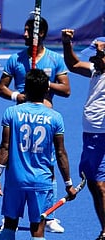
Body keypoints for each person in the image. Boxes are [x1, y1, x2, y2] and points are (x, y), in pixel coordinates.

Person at [0, 14, 70, 233]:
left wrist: (43, 83)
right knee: (19, 160)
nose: (25, 35)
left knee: (47, 164)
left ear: (42, 34)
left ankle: (50, 214)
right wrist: (17, 97)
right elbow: (1, 88)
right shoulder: (16, 59)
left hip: (46, 118)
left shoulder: (55, 60)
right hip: (21, 114)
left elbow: (66, 90)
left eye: (29, 31)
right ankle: (12, 213)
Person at [0, 69, 77, 240]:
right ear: (47, 90)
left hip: (15, 180)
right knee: (37, 229)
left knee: (9, 224)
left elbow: (4, 147)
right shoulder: (55, 118)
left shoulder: (11, 113)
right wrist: (68, 184)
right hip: (41, 181)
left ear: (25, 90)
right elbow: (60, 153)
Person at [61, 30, 105, 240]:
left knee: (99, 183)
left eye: (96, 56)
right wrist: (67, 43)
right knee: (93, 182)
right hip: (91, 134)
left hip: (102, 135)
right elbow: (74, 65)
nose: (93, 60)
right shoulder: (97, 69)